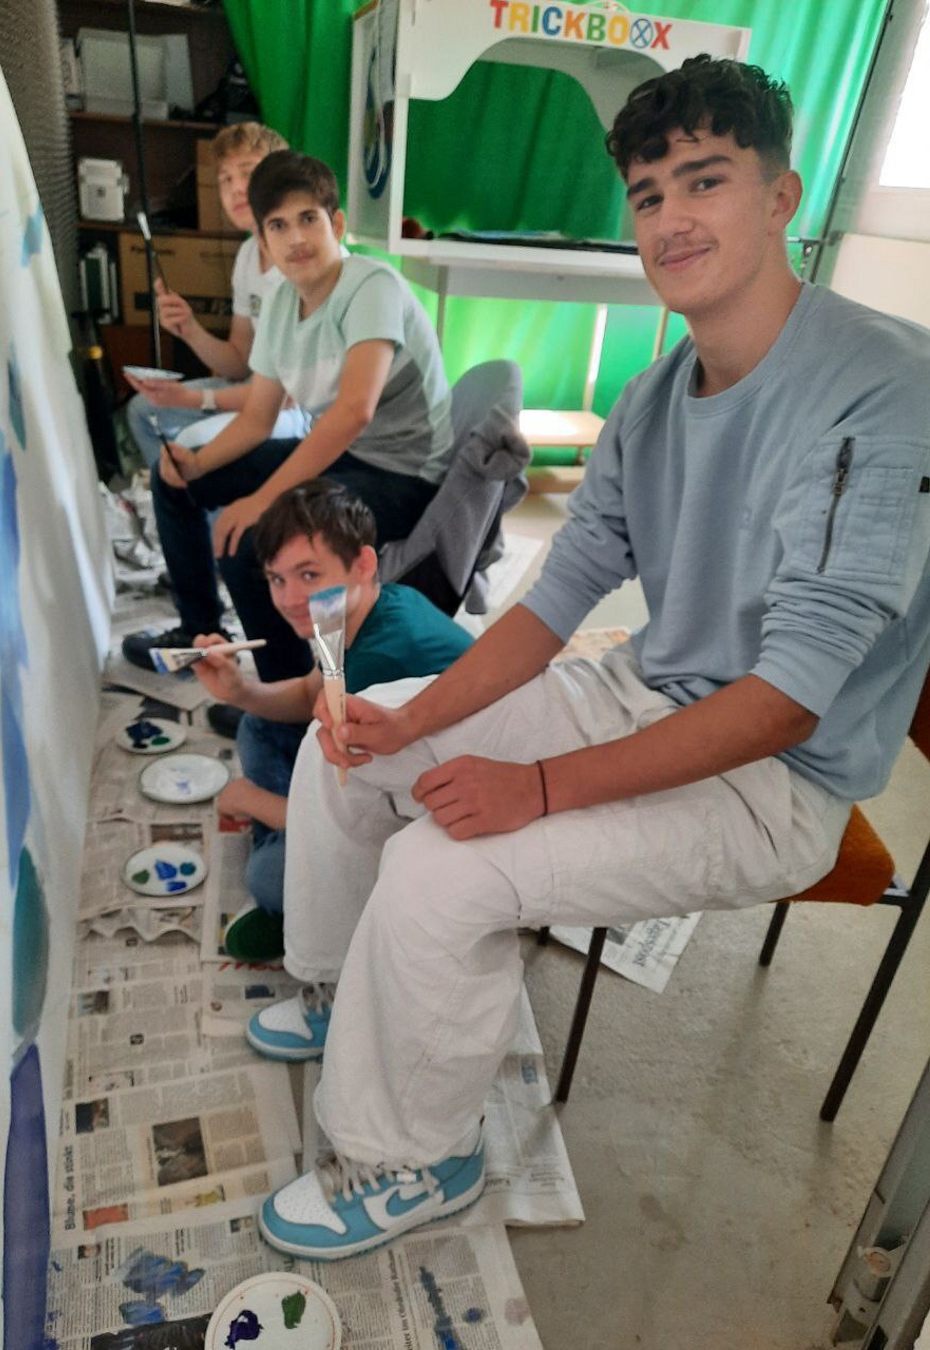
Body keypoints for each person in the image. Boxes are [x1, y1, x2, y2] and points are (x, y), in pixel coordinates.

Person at [244, 54, 930, 1262]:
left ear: (780, 197)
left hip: (777, 781)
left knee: (444, 869)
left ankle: (419, 1154)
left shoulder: (883, 391)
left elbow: (784, 704)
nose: (670, 220)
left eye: (704, 181)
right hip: (640, 690)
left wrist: (538, 788)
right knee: (347, 746)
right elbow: (555, 598)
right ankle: (345, 986)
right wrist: (412, 719)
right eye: (648, 194)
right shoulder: (654, 397)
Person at [122, 151, 453, 686]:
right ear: (262, 239)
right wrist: (197, 463)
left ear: (336, 224)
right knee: (177, 481)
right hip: (348, 455)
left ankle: (286, 696)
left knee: (253, 541)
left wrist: (259, 501)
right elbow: (258, 416)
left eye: (308, 219)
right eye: (278, 225)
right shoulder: (278, 305)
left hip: (404, 473)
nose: (296, 238)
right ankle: (199, 635)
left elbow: (354, 411)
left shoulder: (372, 286)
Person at [189, 479, 472, 963]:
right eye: (277, 579)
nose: (290, 598)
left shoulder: (377, 665)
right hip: (382, 780)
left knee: (265, 875)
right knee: (255, 724)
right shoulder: (353, 608)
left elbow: (359, 820)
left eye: (308, 574)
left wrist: (252, 800)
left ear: (363, 563)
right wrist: (238, 690)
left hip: (435, 820)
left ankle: (296, 886)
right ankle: (285, 846)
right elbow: (309, 692)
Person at [123, 122, 309, 469]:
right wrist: (189, 328)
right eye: (225, 179)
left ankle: (189, 491)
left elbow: (287, 397)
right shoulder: (248, 255)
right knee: (143, 412)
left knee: (193, 443)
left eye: (248, 173)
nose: (236, 188)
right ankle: (175, 495)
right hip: (258, 387)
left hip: (301, 408)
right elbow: (238, 361)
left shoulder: (303, 258)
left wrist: (193, 399)